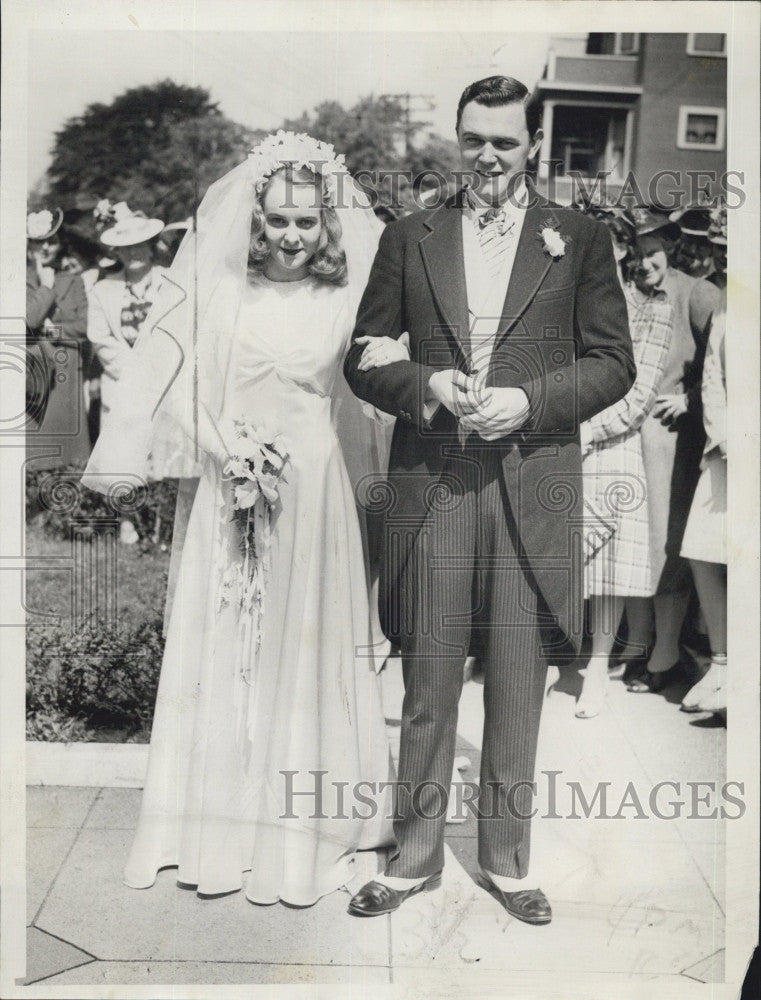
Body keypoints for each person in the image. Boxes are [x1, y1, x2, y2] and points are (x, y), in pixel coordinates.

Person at [343, 76, 635, 924]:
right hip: (433, 480)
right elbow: (361, 353)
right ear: (456, 137)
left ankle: (507, 861)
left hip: (528, 480)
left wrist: (531, 401)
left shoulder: (577, 237)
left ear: (532, 145)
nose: (487, 156)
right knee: (429, 679)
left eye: (504, 141)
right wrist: (423, 382)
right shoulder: (411, 233)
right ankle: (411, 858)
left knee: (517, 678)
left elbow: (613, 361)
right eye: (473, 138)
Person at [82, 132, 396, 905]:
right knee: (230, 636)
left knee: (304, 640)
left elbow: (375, 381)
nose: (292, 235)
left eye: (306, 221)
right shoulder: (221, 288)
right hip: (231, 478)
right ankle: (215, 823)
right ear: (256, 218)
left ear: (329, 222)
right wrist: (227, 448)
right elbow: (175, 382)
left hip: (314, 480)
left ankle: (305, 827)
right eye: (279, 220)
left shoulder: (345, 294)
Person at [574, 207, 672, 719]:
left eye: (614, 245)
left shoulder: (652, 308)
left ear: (625, 250)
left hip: (610, 441)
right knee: (567, 552)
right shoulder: (573, 297)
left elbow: (638, 397)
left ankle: (597, 667)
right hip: (567, 430)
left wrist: (586, 431)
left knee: (609, 564)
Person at [624, 209, 720, 693]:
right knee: (631, 543)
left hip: (670, 445)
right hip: (623, 440)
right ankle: (639, 647)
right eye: (635, 253)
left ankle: (665, 654)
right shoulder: (623, 294)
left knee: (666, 543)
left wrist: (691, 398)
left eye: (652, 252)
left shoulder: (697, 294)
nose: (643, 263)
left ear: (672, 246)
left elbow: (729, 362)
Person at [680, 205, 727, 715]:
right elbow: (711, 375)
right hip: (725, 446)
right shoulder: (714, 299)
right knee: (703, 551)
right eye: (720, 248)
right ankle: (723, 661)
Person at [26, 207, 92, 470]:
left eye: (51, 242)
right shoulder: (19, 280)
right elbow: (28, 321)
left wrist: (53, 331)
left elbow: (86, 327)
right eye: (39, 243)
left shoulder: (73, 280)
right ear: (29, 246)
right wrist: (45, 287)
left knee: (70, 460)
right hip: (37, 377)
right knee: (39, 459)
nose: (45, 249)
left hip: (67, 377)